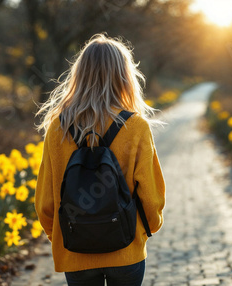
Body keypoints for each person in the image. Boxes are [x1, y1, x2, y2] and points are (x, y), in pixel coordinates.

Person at [34, 33, 166, 286]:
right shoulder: (136, 126)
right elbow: (151, 195)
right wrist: (147, 228)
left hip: (75, 250)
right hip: (126, 249)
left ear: (79, 75)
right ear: (124, 76)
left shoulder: (57, 128)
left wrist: (60, 235)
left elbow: (46, 200)